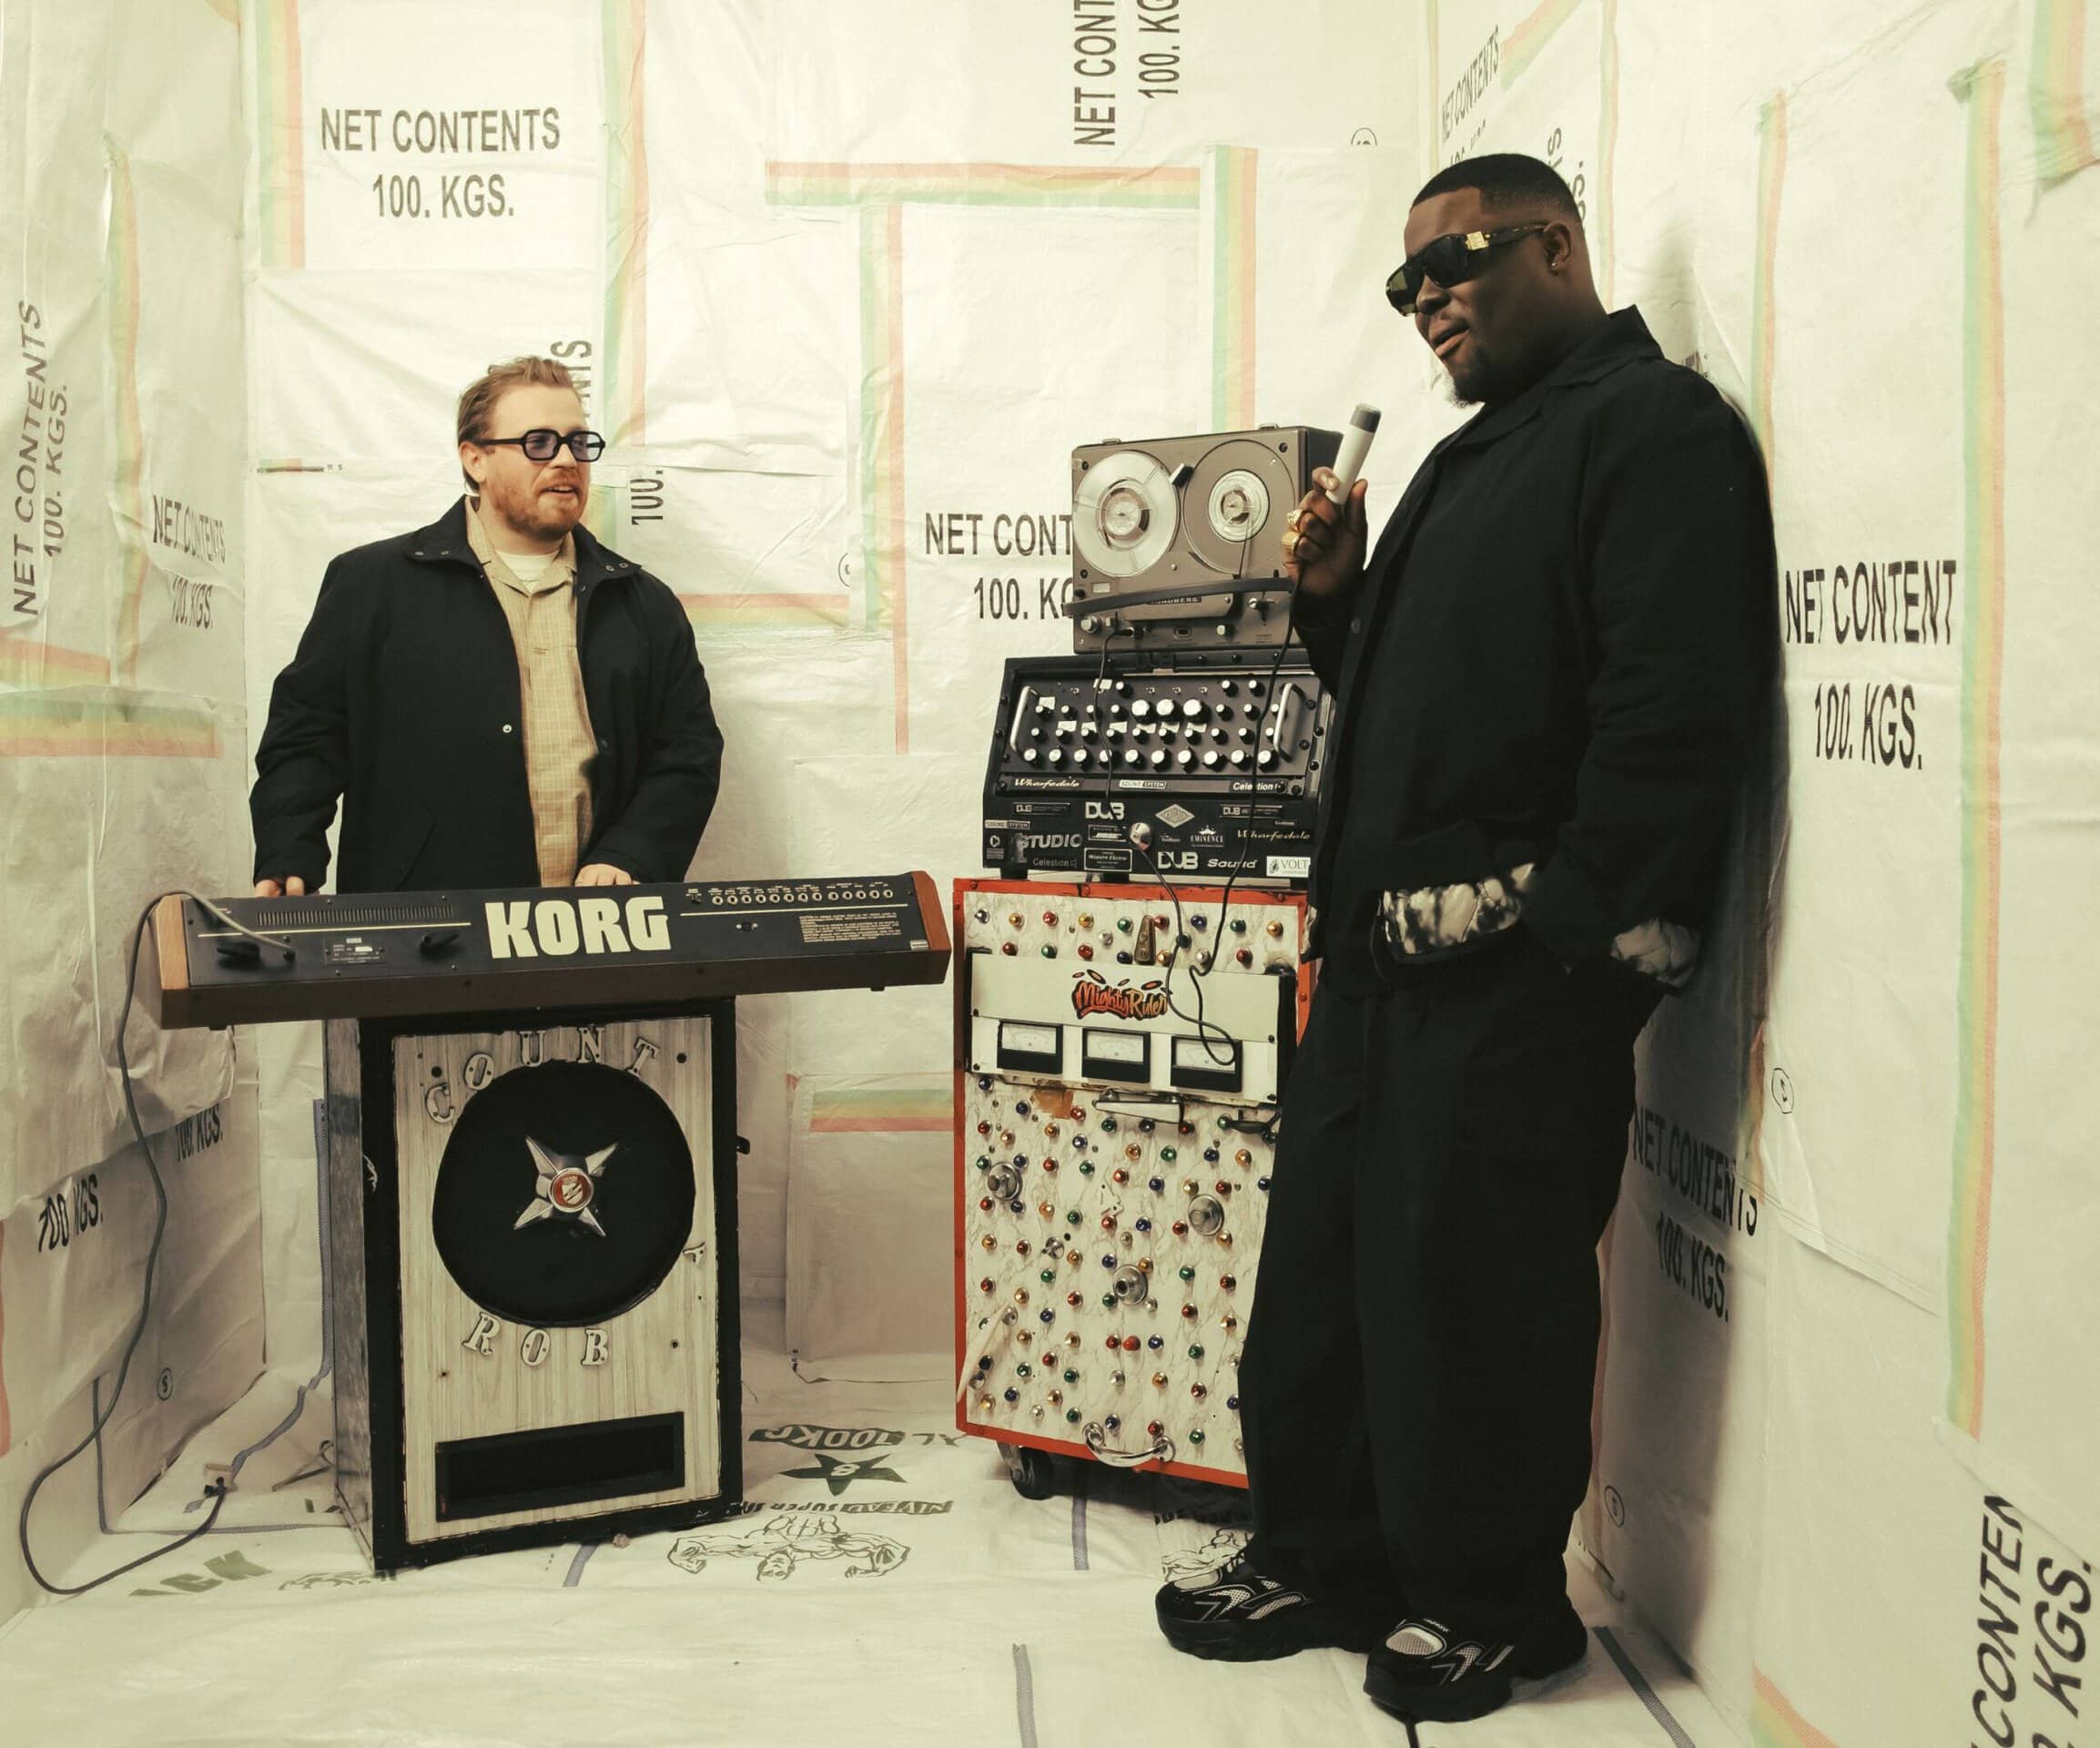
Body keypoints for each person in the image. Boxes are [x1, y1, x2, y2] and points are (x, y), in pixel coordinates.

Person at [1152, 155, 1775, 1725]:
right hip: (1377, 971)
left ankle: (1494, 1604)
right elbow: (1434, 708)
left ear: (1555, 245)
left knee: (1475, 1297)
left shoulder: (1652, 427)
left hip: (1512, 979)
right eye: (1403, 283)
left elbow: (1666, 719)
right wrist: (1334, 604)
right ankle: (1328, 1557)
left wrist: (1555, 943)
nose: (1425, 299)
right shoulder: (1465, 459)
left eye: (1456, 261)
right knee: (1324, 1287)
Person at [250, 357, 722, 896]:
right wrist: (289, 851)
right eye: (538, 443)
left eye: (578, 442)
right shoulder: (372, 585)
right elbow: (306, 735)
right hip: (426, 923)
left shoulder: (644, 603)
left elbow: (688, 752)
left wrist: (631, 852)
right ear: (475, 459)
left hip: (599, 924)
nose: (566, 460)